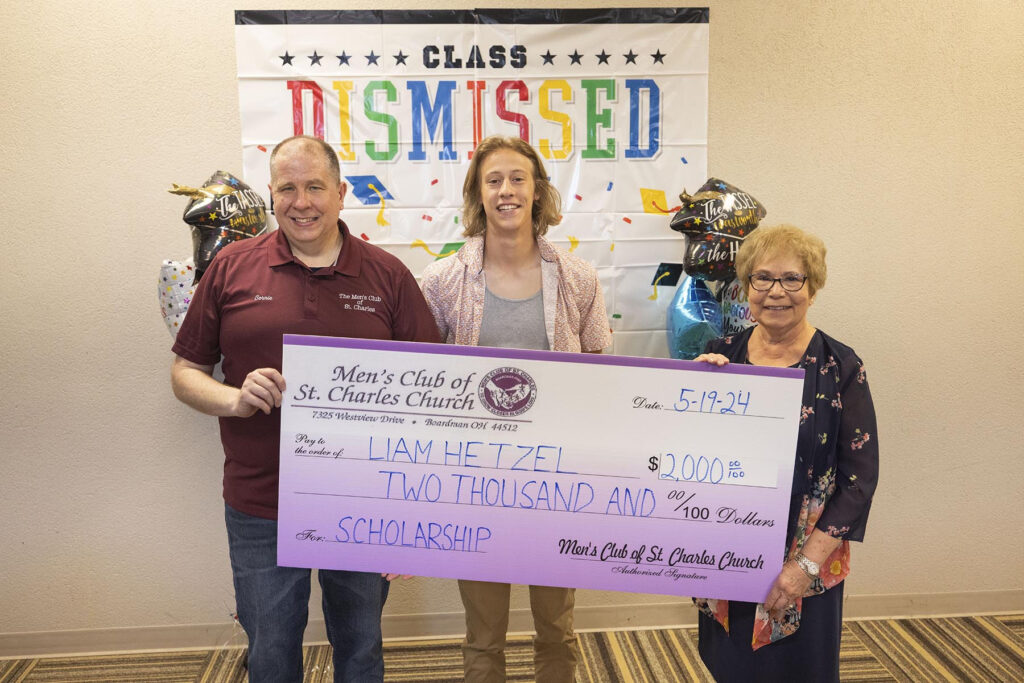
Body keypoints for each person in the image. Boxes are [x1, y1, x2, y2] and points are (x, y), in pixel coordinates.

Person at [170, 135, 440, 682]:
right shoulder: (230, 269)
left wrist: (412, 514)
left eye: (315, 186)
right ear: (272, 196)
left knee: (361, 645)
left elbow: (432, 394)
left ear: (341, 193)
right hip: (259, 498)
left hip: (361, 499)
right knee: (270, 648)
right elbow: (184, 374)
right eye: (287, 188)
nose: (302, 202)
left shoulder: (388, 276)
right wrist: (236, 399)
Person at [420, 135, 611, 682]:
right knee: (483, 635)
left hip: (556, 483)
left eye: (518, 179)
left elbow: (602, 372)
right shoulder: (441, 281)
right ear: (478, 195)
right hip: (475, 483)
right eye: (493, 180)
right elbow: (421, 382)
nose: (506, 190)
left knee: (557, 627)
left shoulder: (577, 278)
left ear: (537, 191)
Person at [693, 224, 879, 681]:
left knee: (801, 670)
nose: (776, 292)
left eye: (792, 279)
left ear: (812, 288)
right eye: (763, 278)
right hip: (727, 550)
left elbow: (859, 480)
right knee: (731, 666)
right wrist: (692, 393)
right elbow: (685, 461)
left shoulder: (841, 366)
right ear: (747, 287)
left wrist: (804, 567)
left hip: (805, 554)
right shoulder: (720, 357)